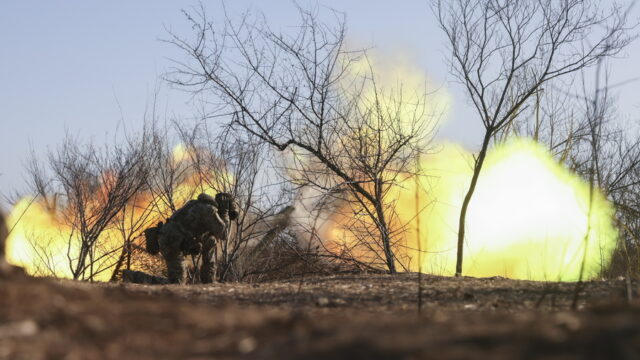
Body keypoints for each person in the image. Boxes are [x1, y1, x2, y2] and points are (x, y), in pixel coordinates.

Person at [144, 192, 238, 284]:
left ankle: (208, 282)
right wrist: (225, 212)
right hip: (172, 241)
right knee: (176, 283)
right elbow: (224, 234)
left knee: (211, 241)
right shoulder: (209, 210)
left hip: (171, 237)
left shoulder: (197, 204)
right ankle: (135, 277)